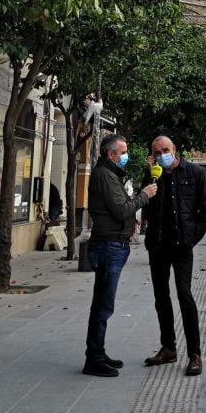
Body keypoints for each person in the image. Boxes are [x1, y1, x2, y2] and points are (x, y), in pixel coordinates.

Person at [82, 134, 157, 378]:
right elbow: (121, 209)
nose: (126, 156)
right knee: (103, 305)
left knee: (104, 302)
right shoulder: (105, 175)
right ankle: (94, 358)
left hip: (112, 243)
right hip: (108, 244)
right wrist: (144, 195)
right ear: (111, 154)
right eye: (123, 152)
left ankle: (98, 352)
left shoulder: (109, 174)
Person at [141, 135, 206, 377]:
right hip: (158, 245)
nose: (162, 154)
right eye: (157, 152)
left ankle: (194, 354)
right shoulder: (154, 175)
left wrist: (192, 237)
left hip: (182, 245)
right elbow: (145, 204)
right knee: (161, 296)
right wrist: (150, 174)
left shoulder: (194, 173)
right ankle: (169, 348)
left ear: (174, 150)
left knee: (184, 295)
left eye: (165, 150)